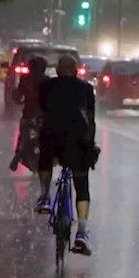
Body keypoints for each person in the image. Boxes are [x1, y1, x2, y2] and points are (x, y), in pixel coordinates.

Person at [36, 54, 98, 256]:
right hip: (77, 142)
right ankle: (81, 232)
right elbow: (90, 120)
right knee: (81, 183)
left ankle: (45, 197)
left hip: (53, 138)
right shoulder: (86, 89)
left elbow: (43, 111)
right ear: (77, 70)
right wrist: (89, 144)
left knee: (44, 156)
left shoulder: (47, 87)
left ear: (57, 70)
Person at [9, 55, 49, 171]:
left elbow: (19, 95)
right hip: (43, 114)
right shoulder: (47, 81)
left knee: (24, 136)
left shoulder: (25, 79)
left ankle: (19, 154)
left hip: (29, 113)